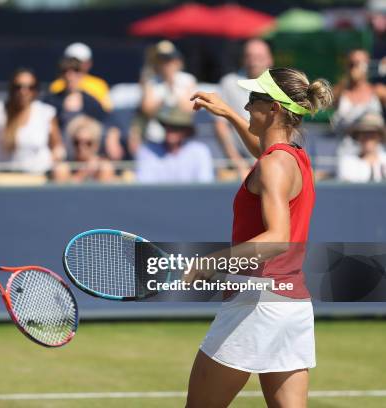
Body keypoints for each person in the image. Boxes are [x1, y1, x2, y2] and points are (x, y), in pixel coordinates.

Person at [186, 68, 333, 407]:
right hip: (291, 305)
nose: (247, 106)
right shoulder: (291, 156)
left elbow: (278, 238)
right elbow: (266, 154)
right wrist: (228, 115)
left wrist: (211, 261)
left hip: (256, 305)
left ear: (275, 109)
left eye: (253, 101)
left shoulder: (273, 165)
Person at [0, 68, 65, 173]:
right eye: (18, 87)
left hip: (40, 176)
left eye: (30, 87)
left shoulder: (46, 112)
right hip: (8, 177)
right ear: (12, 89)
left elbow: (57, 145)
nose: (23, 92)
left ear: (36, 90)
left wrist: (57, 160)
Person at [215, 39, 273, 177]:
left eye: (259, 57)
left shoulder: (280, 84)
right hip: (240, 164)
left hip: (272, 159)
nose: (253, 62)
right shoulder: (228, 83)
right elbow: (220, 125)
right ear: (243, 59)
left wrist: (274, 159)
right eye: (249, 56)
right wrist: (237, 162)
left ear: (270, 60)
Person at [139, 40, 197, 144]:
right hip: (155, 136)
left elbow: (190, 109)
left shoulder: (188, 80)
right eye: (162, 60)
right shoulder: (150, 82)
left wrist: (173, 87)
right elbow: (146, 110)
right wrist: (166, 91)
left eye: (169, 60)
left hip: (182, 137)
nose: (167, 64)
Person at [135, 107, 213, 183]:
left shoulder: (199, 152)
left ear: (186, 131)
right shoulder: (148, 151)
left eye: (177, 127)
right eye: (168, 126)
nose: (171, 131)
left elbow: (204, 185)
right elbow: (145, 185)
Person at [44, 57, 108, 141]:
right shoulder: (51, 101)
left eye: (76, 71)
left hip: (83, 149)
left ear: (82, 74)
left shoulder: (91, 102)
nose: (70, 76)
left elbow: (105, 124)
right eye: (65, 72)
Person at [49, 42, 112, 111]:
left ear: (89, 63)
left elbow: (106, 111)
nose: (71, 76)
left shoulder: (99, 85)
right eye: (70, 64)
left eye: (76, 68)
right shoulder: (56, 85)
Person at [52, 115, 115, 183]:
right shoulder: (65, 168)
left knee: (106, 168)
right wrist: (84, 172)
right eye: (77, 142)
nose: (81, 147)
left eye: (88, 143)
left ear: (96, 144)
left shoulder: (103, 167)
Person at [338, 112, 386, 182]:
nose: (368, 138)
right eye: (364, 133)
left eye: (372, 133)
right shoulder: (347, 162)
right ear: (358, 136)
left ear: (380, 136)